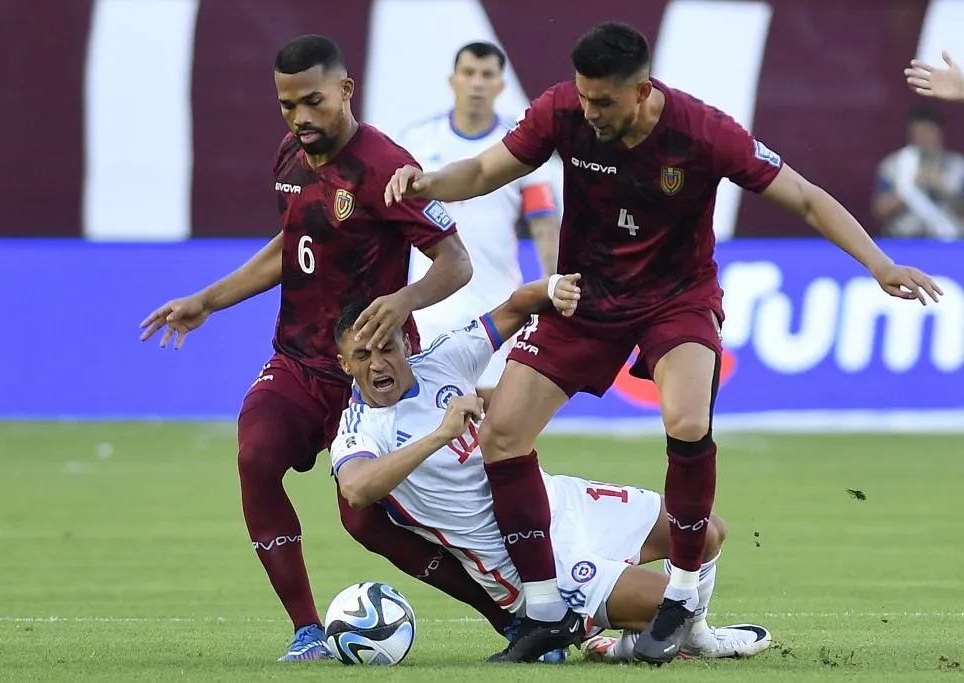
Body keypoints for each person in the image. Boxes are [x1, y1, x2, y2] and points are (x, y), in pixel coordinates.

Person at [384, 21, 944, 664]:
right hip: (586, 297)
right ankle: (542, 611)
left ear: (643, 90)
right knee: (502, 437)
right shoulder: (562, 109)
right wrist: (428, 183)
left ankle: (681, 593)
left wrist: (880, 265)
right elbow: (486, 169)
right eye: (583, 96)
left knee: (685, 419)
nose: (588, 111)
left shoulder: (704, 131)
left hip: (677, 300)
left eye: (603, 102)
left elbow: (807, 200)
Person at [138, 34, 519, 663]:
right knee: (257, 456)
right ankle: (307, 632)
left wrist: (403, 301)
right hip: (298, 360)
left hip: (371, 374)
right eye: (287, 105)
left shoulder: (386, 168)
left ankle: (506, 619)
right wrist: (210, 299)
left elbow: (455, 264)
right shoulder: (292, 154)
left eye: (313, 102)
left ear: (345, 91)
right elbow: (290, 246)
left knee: (365, 520)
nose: (300, 118)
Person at [328, 277, 771, 663]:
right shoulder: (360, 428)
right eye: (362, 355)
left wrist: (554, 285)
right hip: (521, 562)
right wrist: (440, 435)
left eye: (387, 347)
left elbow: (515, 307)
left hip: (557, 502)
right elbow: (356, 489)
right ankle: (621, 646)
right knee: (667, 607)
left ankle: (692, 637)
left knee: (707, 531)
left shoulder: (444, 361)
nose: (378, 363)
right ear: (345, 364)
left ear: (407, 343)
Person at [398, 42, 560, 404]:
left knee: (492, 422)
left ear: (500, 84)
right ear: (452, 80)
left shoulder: (521, 146)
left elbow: (543, 221)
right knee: (424, 413)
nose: (476, 84)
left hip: (496, 303)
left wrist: (552, 280)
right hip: (429, 305)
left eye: (487, 75)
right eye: (469, 73)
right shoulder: (417, 141)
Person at [873, 105, 964, 239]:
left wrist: (943, 188)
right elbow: (879, 210)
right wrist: (910, 188)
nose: (923, 139)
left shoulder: (959, 166)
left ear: (940, 133)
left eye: (928, 132)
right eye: (918, 134)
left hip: (951, 242)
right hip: (904, 241)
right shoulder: (892, 165)